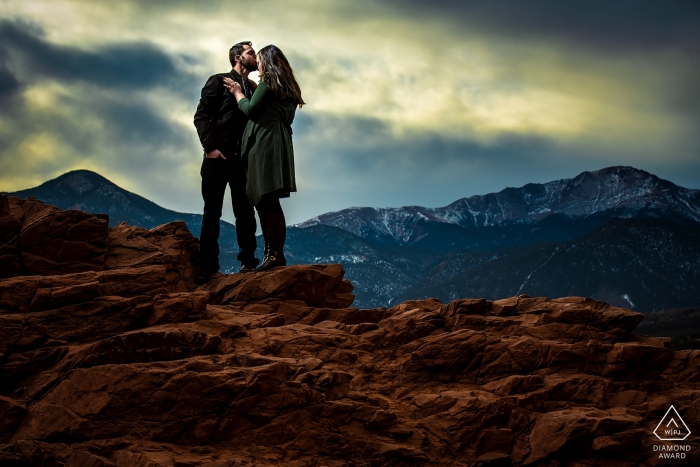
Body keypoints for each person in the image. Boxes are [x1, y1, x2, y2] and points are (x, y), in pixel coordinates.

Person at [223, 45, 304, 271]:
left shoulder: (269, 80)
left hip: (266, 142)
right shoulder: (285, 83)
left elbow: (251, 109)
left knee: (267, 198)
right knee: (267, 198)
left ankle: (275, 254)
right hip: (278, 140)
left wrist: (238, 93)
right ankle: (272, 254)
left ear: (267, 61)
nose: (257, 65)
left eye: (259, 60)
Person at [193, 41, 260, 284]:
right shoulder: (218, 81)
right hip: (217, 159)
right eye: (251, 52)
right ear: (237, 58)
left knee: (245, 213)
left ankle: (249, 263)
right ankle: (208, 267)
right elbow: (201, 115)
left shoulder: (252, 89)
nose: (255, 56)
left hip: (241, 162)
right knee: (212, 213)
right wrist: (210, 149)